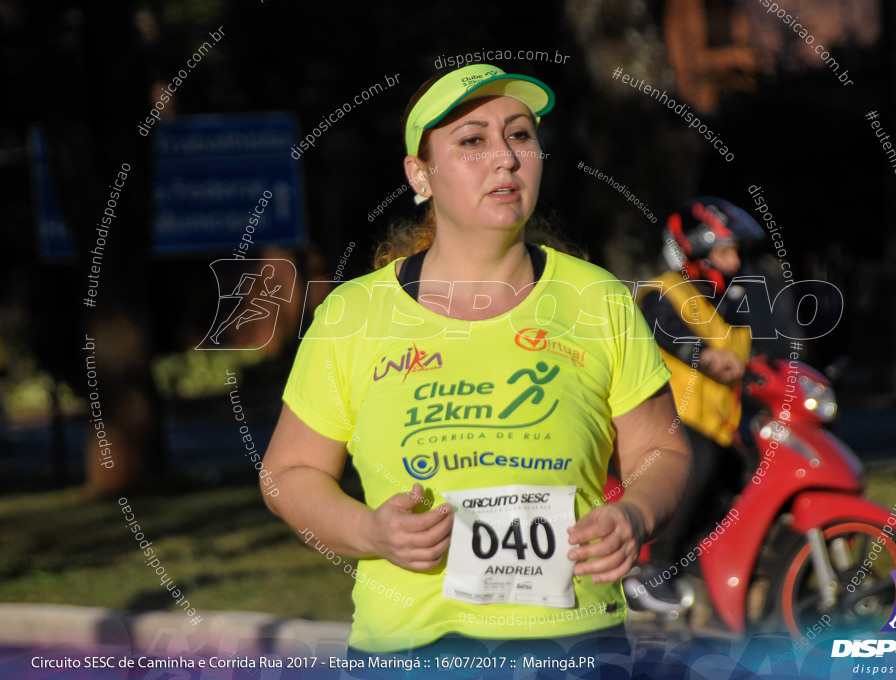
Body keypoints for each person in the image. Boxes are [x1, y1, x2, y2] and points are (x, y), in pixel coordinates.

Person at [261, 64, 691, 659]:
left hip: (576, 650)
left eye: (519, 135)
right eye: (472, 140)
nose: (506, 157)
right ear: (421, 174)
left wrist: (637, 515)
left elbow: (660, 451)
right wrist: (370, 532)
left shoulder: (598, 300)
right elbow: (288, 475)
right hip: (412, 655)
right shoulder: (353, 314)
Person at [628, 197, 763, 608]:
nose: (735, 261)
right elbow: (665, 332)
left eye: (736, 251)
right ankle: (652, 571)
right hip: (669, 421)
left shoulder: (730, 307)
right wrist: (705, 357)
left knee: (742, 473)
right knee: (699, 457)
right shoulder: (663, 293)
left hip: (720, 426)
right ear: (695, 253)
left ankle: (705, 573)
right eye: (724, 251)